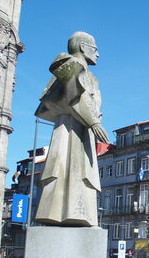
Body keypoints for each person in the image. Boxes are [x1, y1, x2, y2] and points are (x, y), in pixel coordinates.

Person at [34, 31, 108, 227]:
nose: (98, 54)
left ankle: (70, 211)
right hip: (73, 128)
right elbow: (75, 98)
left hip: (73, 127)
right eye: (95, 49)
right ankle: (71, 211)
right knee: (71, 166)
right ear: (83, 47)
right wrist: (94, 122)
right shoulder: (73, 67)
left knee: (69, 168)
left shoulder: (79, 72)